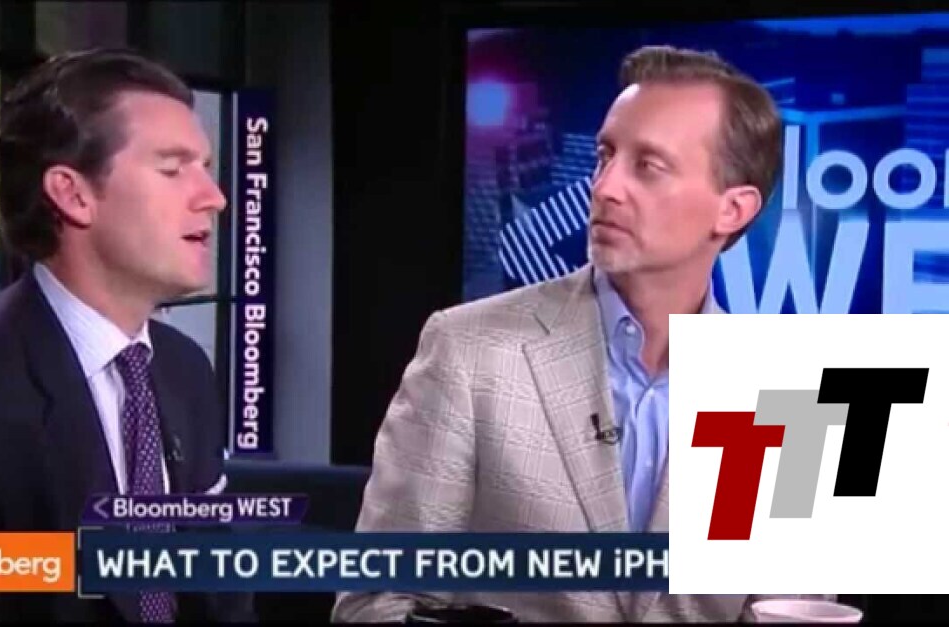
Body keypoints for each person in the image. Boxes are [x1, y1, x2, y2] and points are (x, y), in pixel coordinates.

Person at [332, 45, 834, 622]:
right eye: (605, 156)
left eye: (648, 166)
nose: (604, 187)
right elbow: (376, 601)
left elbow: (795, 605)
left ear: (733, 210)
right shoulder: (469, 351)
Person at [0, 48, 254, 623]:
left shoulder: (186, 372)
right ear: (73, 194)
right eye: (173, 168)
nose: (215, 197)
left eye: (205, 166)